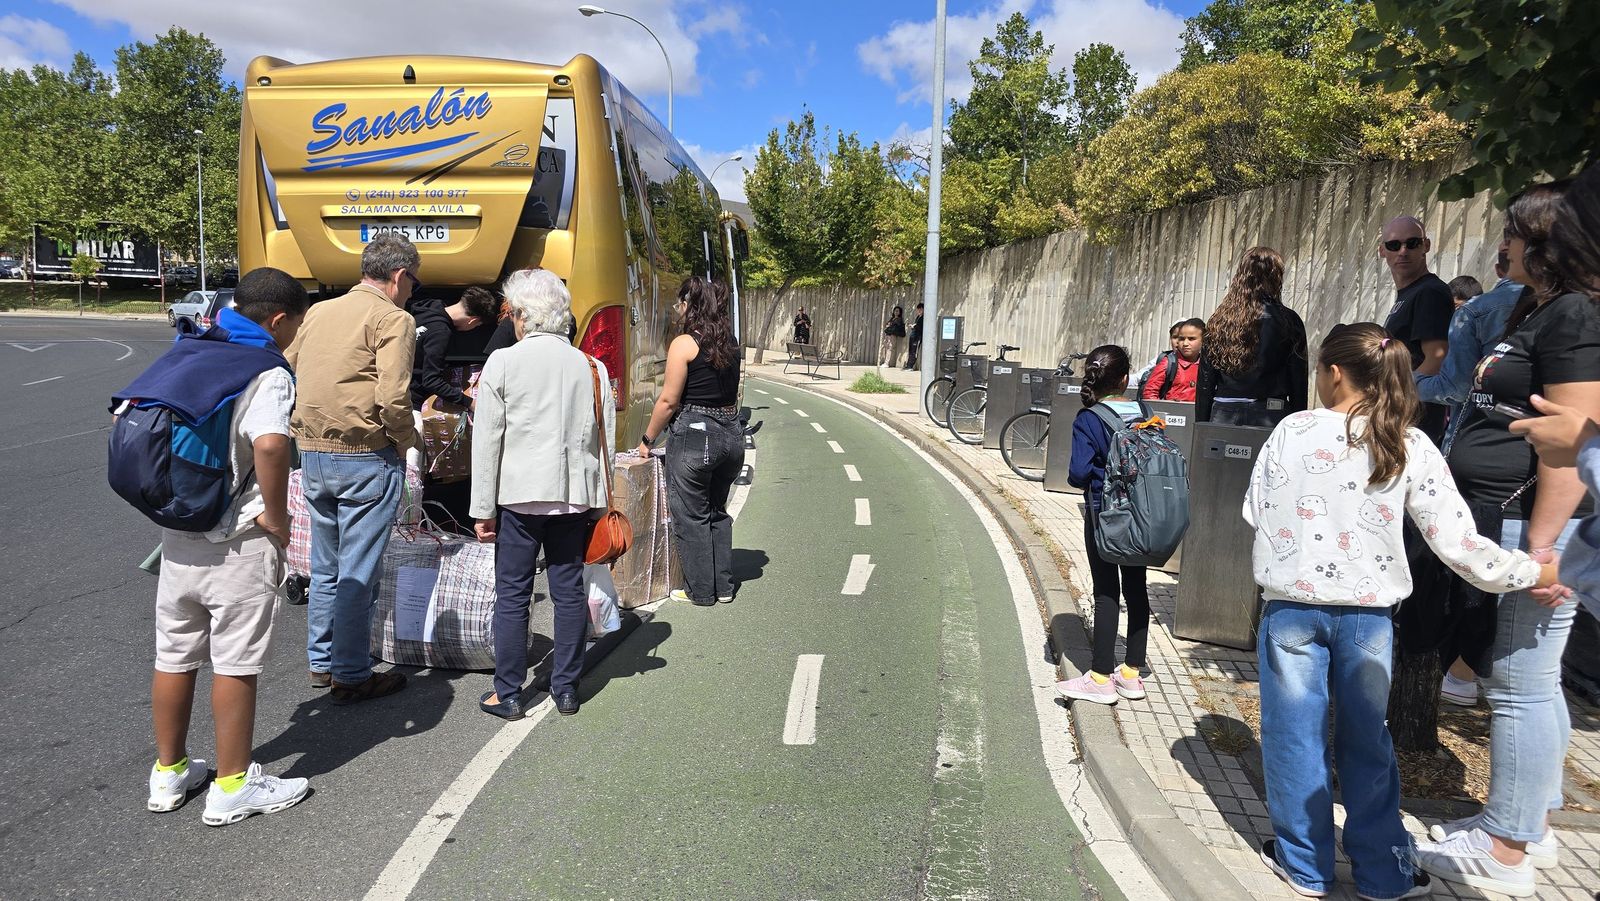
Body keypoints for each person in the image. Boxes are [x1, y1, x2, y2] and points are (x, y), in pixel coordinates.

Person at [1244, 322, 1552, 901]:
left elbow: (1255, 511)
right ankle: (1383, 875)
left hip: (1291, 609)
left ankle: (1305, 865)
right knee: (1368, 742)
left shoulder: (1292, 430)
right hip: (1369, 617)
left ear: (1334, 372)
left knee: (1293, 738)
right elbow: (1458, 543)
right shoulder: (1408, 442)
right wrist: (1531, 572)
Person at [1416, 179, 1600, 898]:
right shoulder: (1542, 307)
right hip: (1513, 519)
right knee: (1532, 680)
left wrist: (1544, 549)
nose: (1503, 245)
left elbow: (1571, 442)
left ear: (1545, 242)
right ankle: (1529, 820)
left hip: (1535, 528)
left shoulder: (1576, 315)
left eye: (1513, 233)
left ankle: (1505, 846)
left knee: (1518, 682)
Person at [134, 268, 313, 825]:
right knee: (235, 661)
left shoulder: (192, 347)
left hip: (179, 527)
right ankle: (233, 785)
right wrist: (278, 519)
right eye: (296, 325)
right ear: (278, 319)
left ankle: (168, 773)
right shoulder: (265, 369)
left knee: (174, 655)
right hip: (239, 537)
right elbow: (271, 445)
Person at [471, 269, 612, 720]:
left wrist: (482, 509)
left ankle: (509, 693)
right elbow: (603, 440)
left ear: (523, 315)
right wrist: (601, 505)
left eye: (512, 313)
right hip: (573, 496)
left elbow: (487, 441)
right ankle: (566, 689)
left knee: (513, 594)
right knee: (568, 591)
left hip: (518, 497)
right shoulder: (591, 367)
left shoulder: (503, 363)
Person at [287, 232, 419, 704]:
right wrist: (406, 441)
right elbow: (393, 396)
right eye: (413, 282)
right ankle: (351, 673)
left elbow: (287, 367)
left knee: (325, 568)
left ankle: (322, 662)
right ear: (399, 276)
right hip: (365, 456)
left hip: (313, 454)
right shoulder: (393, 318)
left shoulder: (319, 311)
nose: (412, 292)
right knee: (359, 572)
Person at [1415, 249, 1524, 706]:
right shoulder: (1573, 310)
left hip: (1480, 468)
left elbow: (1455, 386)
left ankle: (1460, 670)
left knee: (1464, 572)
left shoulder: (1480, 311)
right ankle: (1466, 671)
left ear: (1499, 265)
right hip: (1532, 478)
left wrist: (1402, 382)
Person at [636, 277, 744, 607]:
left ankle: (701, 591)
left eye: (679, 303)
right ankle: (724, 587)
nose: (677, 309)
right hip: (731, 435)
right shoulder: (730, 342)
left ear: (690, 306)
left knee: (691, 515)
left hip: (696, 437)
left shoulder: (684, 343)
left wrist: (647, 440)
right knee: (717, 511)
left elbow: (668, 401)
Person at [1055, 345, 1150, 706]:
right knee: (1136, 588)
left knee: (1106, 590)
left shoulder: (1089, 418)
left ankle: (1099, 677)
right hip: (1142, 513)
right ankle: (1132, 674)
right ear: (1125, 379)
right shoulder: (1144, 412)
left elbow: (1079, 473)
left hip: (1104, 514)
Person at [1195, 246, 1308, 426]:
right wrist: (1299, 426)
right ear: (1276, 277)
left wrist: (1201, 425)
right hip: (1271, 411)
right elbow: (1298, 381)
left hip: (1224, 410)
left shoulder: (1220, 319)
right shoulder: (1289, 319)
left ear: (1241, 275)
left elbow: (1205, 381)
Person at [1379, 216, 1455, 442]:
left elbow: (1436, 359)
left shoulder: (1430, 292)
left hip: (1412, 420)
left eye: (1412, 243)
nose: (1403, 251)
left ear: (1426, 246)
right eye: (1394, 245)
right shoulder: (1411, 293)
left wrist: (1394, 401)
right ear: (1382, 251)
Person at [409, 286, 499, 413]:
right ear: (472, 320)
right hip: (411, 400)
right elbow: (431, 380)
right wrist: (469, 402)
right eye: (477, 325)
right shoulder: (440, 333)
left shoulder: (428, 308)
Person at [1139, 318, 1204, 401]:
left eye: (1191, 339)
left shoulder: (1207, 365)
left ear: (1203, 340)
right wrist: (1160, 409)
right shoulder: (1168, 363)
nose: (1185, 343)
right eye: (1181, 339)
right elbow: (1149, 393)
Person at [904, 301, 925, 370]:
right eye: (918, 309)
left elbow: (921, 327)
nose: (919, 311)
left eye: (921, 309)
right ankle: (908, 365)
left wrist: (914, 326)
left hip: (918, 336)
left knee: (914, 351)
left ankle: (910, 366)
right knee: (911, 350)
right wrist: (913, 326)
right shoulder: (918, 317)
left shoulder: (924, 318)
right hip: (913, 335)